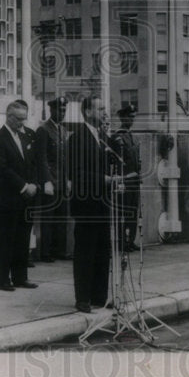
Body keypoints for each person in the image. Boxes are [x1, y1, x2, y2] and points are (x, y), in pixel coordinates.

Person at [65, 95, 120, 313]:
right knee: (85, 251)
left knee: (102, 249)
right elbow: (77, 174)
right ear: (87, 112)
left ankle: (99, 296)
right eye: (100, 109)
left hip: (102, 203)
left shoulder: (102, 136)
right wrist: (104, 179)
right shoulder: (78, 138)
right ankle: (83, 298)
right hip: (86, 204)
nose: (104, 113)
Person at [0, 100, 40, 291]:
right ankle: (4, 279)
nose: (22, 123)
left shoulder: (28, 136)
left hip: (28, 197)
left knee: (23, 238)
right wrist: (24, 186)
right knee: (6, 239)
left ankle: (21, 277)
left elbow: (34, 163)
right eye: (18, 119)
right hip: (8, 197)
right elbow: (2, 168)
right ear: (9, 117)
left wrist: (34, 184)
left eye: (24, 119)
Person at [34, 96, 71, 262]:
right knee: (48, 218)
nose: (62, 113)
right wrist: (46, 181)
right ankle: (46, 252)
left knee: (62, 217)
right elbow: (41, 159)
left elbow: (67, 158)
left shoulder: (63, 130)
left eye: (64, 110)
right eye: (59, 110)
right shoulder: (43, 130)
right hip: (50, 182)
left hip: (62, 181)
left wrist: (68, 179)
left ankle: (59, 250)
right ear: (51, 110)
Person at [110, 104, 142, 252]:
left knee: (133, 212)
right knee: (122, 211)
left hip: (134, 181)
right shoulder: (117, 137)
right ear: (122, 118)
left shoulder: (133, 137)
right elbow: (114, 161)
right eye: (129, 117)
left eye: (133, 117)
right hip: (123, 181)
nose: (131, 120)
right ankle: (121, 241)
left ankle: (130, 240)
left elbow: (137, 161)